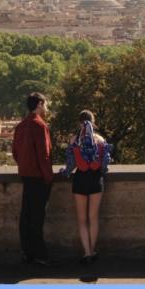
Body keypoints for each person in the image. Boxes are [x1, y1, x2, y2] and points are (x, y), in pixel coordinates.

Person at [60, 110, 111, 264]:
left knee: (82, 220)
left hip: (80, 180)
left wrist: (65, 172)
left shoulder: (74, 140)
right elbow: (104, 165)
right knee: (93, 218)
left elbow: (70, 165)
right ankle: (93, 250)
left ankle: (87, 253)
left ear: (79, 123)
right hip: (96, 180)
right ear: (93, 123)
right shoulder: (100, 140)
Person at [11, 92, 53, 266]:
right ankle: (39, 253)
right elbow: (44, 156)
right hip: (38, 177)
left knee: (26, 215)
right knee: (37, 216)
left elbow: (15, 152)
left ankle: (27, 251)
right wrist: (48, 177)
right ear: (40, 104)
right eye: (46, 104)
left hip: (26, 175)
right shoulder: (39, 126)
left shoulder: (21, 126)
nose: (47, 107)